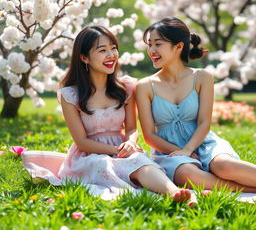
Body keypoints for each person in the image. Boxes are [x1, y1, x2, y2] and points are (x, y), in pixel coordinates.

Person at [22, 25, 192, 202]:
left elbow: (132, 128)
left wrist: (130, 143)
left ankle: (174, 192)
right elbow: (81, 141)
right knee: (103, 164)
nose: (111, 55)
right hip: (88, 156)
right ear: (84, 57)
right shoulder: (70, 95)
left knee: (140, 162)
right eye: (103, 50)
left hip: (122, 149)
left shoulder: (126, 87)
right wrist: (114, 151)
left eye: (113, 48)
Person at [136, 17, 256, 193]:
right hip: (168, 152)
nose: (152, 50)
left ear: (178, 47)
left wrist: (189, 148)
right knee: (189, 175)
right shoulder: (144, 86)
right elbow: (149, 136)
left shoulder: (202, 77)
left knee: (224, 166)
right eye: (149, 45)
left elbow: (204, 122)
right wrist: (181, 151)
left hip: (204, 142)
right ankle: (247, 189)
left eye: (157, 44)